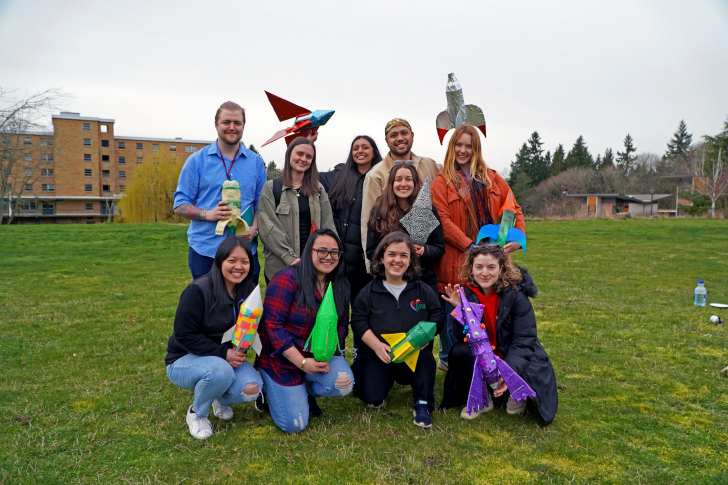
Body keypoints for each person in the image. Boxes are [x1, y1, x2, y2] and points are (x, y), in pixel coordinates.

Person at [431, 124, 525, 373]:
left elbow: (513, 207)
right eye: (458, 145)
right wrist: (471, 248)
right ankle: (453, 364)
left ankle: (489, 360)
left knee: (488, 312)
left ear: (476, 149)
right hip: (456, 261)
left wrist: (520, 236)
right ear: (452, 148)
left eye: (468, 146)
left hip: (490, 262)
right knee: (457, 314)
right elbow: (443, 220)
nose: (463, 150)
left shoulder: (492, 177)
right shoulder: (442, 181)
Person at [439, 244, 557, 425]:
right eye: (479, 267)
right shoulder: (466, 292)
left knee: (527, 363)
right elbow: (460, 336)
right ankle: (482, 395)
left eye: (491, 267)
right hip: (485, 354)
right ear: (471, 268)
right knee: (459, 351)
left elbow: (524, 340)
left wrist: (509, 372)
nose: (484, 273)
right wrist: (460, 310)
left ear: (501, 268)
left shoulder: (516, 295)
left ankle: (515, 392)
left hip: (510, 351)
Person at [255, 228, 354, 434]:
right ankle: (267, 390)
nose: (329, 257)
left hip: (317, 356)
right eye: (322, 251)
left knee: (344, 384)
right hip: (282, 359)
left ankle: (306, 390)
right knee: (295, 425)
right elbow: (272, 326)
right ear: (309, 251)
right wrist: (301, 362)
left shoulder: (340, 285)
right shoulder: (287, 279)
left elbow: (342, 325)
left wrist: (327, 353)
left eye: (334, 252)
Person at [165, 237, 264, 440]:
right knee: (221, 371)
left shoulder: (247, 290)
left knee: (252, 388)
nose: (239, 267)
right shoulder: (198, 290)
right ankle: (197, 413)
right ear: (219, 261)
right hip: (184, 358)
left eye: (245, 262)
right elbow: (184, 335)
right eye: (232, 260)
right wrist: (223, 353)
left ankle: (216, 395)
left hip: (224, 359)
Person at [351, 231, 445, 428]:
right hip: (379, 354)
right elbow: (358, 321)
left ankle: (423, 403)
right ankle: (376, 381)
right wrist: (376, 345)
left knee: (426, 359)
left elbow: (437, 315)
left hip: (413, 353)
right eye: (392, 254)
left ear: (411, 260)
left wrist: (429, 334)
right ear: (382, 257)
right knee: (372, 399)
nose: (397, 260)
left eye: (404, 255)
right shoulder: (368, 291)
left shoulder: (422, 289)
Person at [174, 101, 267, 280]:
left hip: (245, 252)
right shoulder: (196, 161)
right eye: (226, 122)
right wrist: (208, 214)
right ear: (216, 124)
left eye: (237, 123)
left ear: (243, 126)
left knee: (246, 307)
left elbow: (261, 205)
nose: (232, 127)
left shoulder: (255, 163)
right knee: (208, 306)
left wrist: (254, 228)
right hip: (206, 252)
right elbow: (180, 205)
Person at [258, 137, 337, 283]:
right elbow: (268, 228)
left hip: (313, 267)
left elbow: (328, 226)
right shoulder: (271, 188)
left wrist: (330, 256)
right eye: (299, 154)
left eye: (309, 157)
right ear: (289, 155)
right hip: (280, 269)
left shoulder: (318, 189)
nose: (303, 159)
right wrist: (290, 258)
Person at [360, 118, 441, 260]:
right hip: (390, 263)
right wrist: (373, 266)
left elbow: (454, 175)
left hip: (424, 264)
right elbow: (368, 222)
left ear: (412, 135)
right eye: (393, 135)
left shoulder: (430, 165)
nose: (400, 138)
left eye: (404, 133)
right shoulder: (376, 174)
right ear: (386, 141)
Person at [319, 135, 382, 303]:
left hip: (367, 260)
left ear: (375, 152)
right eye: (356, 148)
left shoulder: (382, 178)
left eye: (365, 147)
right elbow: (310, 175)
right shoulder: (338, 176)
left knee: (364, 312)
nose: (360, 151)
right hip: (340, 258)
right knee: (335, 310)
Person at [366, 163, 444, 296]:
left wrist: (424, 250)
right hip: (389, 281)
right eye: (398, 179)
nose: (403, 184)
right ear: (391, 183)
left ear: (415, 183)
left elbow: (439, 247)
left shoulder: (427, 209)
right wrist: (391, 254)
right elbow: (371, 251)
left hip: (422, 280)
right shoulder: (379, 210)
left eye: (408, 179)